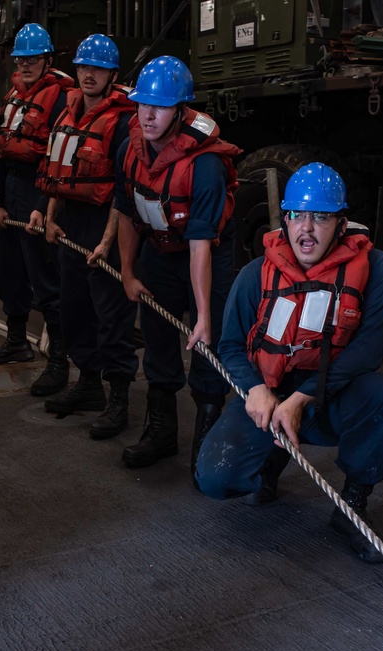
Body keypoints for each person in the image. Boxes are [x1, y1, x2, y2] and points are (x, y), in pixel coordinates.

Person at [194, 163, 383, 564]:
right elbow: (232, 344)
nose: (306, 229)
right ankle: (268, 463)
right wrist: (257, 390)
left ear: (341, 224)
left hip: (332, 397)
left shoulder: (376, 269)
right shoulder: (257, 274)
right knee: (215, 479)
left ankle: (353, 506)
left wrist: (303, 398)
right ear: (285, 219)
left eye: (321, 217)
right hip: (269, 398)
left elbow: (371, 348)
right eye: (297, 215)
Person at [113, 55, 242, 470]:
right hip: (160, 249)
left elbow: (201, 245)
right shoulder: (128, 152)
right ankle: (162, 431)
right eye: (143, 104)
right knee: (157, 333)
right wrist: (129, 273)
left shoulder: (204, 167)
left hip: (208, 253)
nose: (148, 115)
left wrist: (202, 314)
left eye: (161, 106)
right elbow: (129, 214)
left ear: (181, 110)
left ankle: (207, 428)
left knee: (208, 341)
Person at [32, 34, 138, 439]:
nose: (88, 74)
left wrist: (108, 242)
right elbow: (58, 173)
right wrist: (50, 215)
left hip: (102, 225)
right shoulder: (67, 113)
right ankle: (89, 385)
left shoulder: (125, 121)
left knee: (111, 314)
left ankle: (119, 399)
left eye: (97, 68)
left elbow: (121, 189)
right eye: (83, 67)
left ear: (112, 74)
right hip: (70, 222)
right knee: (74, 306)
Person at [0, 23, 72, 395]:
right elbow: (0, 152)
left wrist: (42, 207)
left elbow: (55, 157)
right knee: (11, 274)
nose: (24, 65)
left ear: (47, 60)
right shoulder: (13, 97)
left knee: (46, 281)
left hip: (37, 189)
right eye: (20, 59)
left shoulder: (58, 98)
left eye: (32, 59)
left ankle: (58, 362)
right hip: (10, 190)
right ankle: (17, 342)